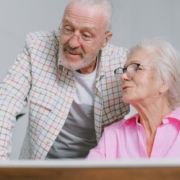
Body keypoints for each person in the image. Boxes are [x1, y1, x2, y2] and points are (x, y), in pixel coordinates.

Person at [0, 0, 129, 160]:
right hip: (38, 166)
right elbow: (5, 106)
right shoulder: (37, 47)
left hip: (94, 169)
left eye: (86, 35)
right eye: (68, 29)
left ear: (105, 40)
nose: (73, 43)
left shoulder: (122, 64)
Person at [86, 38, 180, 159]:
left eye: (135, 68)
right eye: (124, 70)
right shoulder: (113, 135)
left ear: (164, 81)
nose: (123, 76)